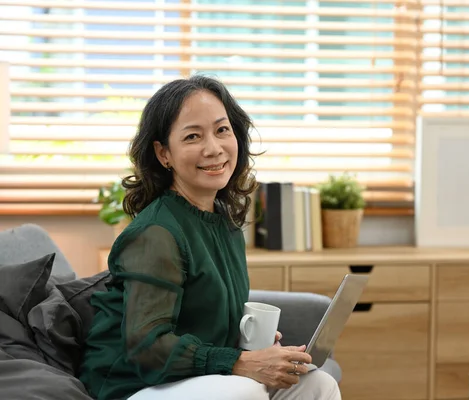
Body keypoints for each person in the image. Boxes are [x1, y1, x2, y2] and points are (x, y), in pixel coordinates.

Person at [79, 75, 342, 400]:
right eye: (192, 136)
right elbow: (146, 348)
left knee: (318, 383)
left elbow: (207, 325)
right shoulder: (156, 234)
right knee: (245, 390)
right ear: (164, 154)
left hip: (194, 380)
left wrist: (258, 348)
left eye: (222, 130)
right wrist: (241, 362)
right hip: (134, 386)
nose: (214, 148)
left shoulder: (225, 223)